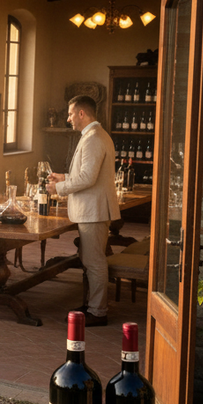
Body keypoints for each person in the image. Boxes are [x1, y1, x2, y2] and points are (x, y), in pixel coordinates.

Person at [47, 95, 121, 327]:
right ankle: (92, 305)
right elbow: (88, 174)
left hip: (94, 211)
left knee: (94, 261)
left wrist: (58, 188)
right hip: (93, 209)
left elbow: (88, 178)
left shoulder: (93, 138)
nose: (68, 119)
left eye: (70, 114)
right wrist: (64, 177)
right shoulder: (95, 135)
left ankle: (98, 312)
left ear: (81, 113)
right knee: (90, 260)